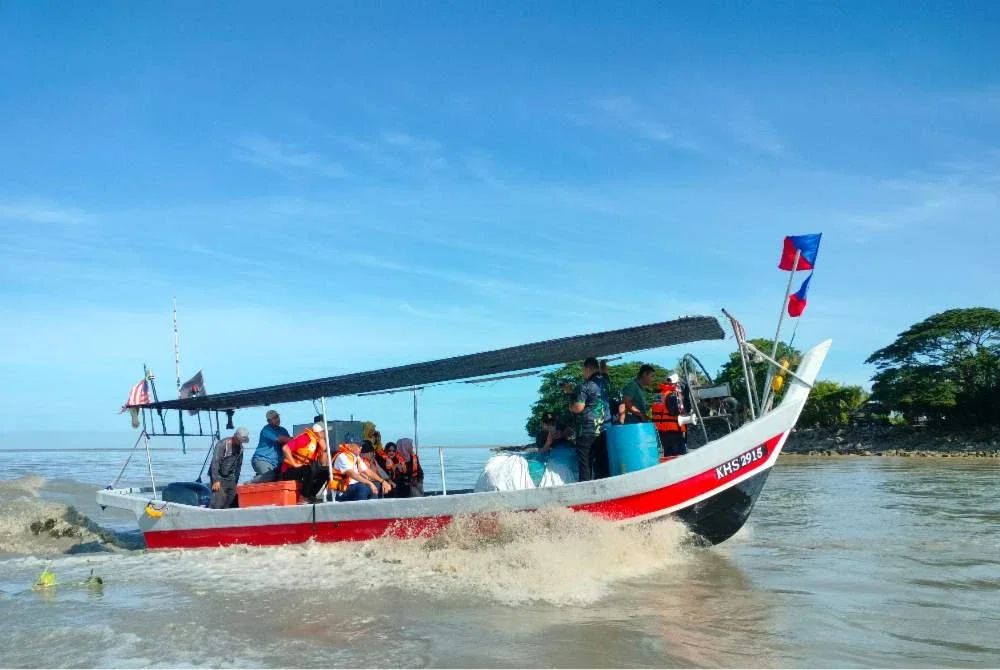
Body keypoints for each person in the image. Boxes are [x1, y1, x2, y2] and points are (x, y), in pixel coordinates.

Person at [568, 357, 610, 481]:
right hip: (604, 429)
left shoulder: (584, 386)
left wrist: (570, 397)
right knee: (602, 462)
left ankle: (585, 491)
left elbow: (578, 408)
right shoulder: (606, 382)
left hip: (587, 430)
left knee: (585, 463)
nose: (582, 374)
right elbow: (605, 373)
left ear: (587, 369)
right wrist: (603, 364)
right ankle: (604, 490)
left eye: (583, 370)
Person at [279, 422, 329, 503]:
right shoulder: (306, 438)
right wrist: (295, 464)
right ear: (319, 432)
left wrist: (324, 450)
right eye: (324, 432)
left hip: (304, 470)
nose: (326, 434)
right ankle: (304, 496)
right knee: (308, 469)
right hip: (289, 470)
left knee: (325, 471)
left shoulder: (317, 442)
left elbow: (322, 463)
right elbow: (285, 448)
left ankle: (311, 495)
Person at [209, 427, 250, 509]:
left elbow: (239, 466)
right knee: (218, 502)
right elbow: (215, 463)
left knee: (231, 500)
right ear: (234, 436)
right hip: (218, 477)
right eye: (239, 440)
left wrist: (235, 482)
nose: (240, 443)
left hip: (231, 478)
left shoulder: (241, 449)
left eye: (242, 441)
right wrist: (216, 480)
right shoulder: (223, 444)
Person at [652, 375, 688, 457]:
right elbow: (675, 412)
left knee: (668, 455)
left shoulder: (659, 395)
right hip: (673, 430)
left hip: (662, 431)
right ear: (674, 384)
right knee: (679, 456)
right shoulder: (671, 395)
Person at [250, 409, 291, 482]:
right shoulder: (266, 430)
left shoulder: (283, 430)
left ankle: (260, 478)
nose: (277, 419)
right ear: (269, 421)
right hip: (262, 460)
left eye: (277, 417)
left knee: (282, 477)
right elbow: (281, 439)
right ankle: (250, 483)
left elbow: (289, 444)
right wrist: (298, 439)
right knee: (270, 476)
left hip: (275, 464)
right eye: (274, 418)